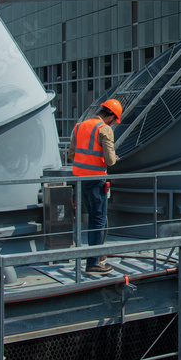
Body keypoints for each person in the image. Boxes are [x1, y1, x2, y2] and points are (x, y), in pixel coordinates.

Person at [68, 99, 122, 274]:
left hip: (80, 179)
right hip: (97, 180)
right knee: (98, 220)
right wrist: (113, 157)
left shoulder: (79, 126)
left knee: (91, 217)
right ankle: (93, 262)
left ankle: (95, 257)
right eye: (115, 121)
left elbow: (71, 154)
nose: (113, 124)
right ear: (111, 116)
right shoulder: (104, 129)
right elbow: (110, 160)